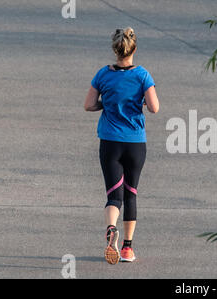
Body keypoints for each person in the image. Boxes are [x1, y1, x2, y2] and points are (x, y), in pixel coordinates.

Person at [84, 27, 159, 264]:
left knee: (113, 195)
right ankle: (127, 248)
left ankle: (110, 228)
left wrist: (105, 106)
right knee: (131, 194)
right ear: (134, 49)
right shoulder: (142, 76)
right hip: (135, 143)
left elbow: (88, 105)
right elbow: (154, 107)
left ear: (115, 50)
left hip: (110, 142)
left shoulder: (103, 75)